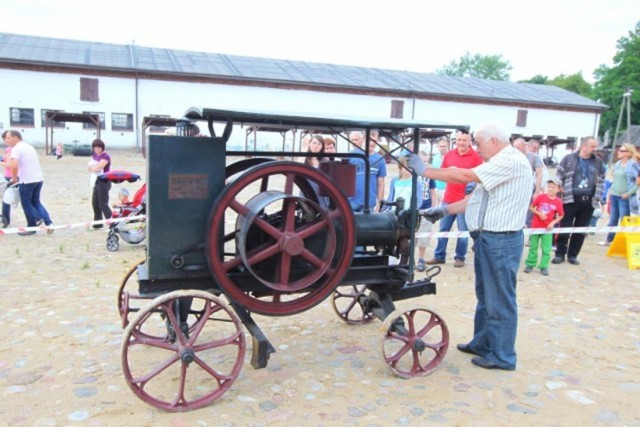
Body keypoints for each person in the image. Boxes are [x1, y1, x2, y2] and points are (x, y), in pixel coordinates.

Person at [409, 123, 533, 371]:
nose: (476, 147)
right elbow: (474, 199)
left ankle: (503, 356)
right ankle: (483, 344)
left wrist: (425, 171)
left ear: (494, 141)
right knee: (486, 296)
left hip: (501, 239)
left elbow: (464, 176)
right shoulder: (497, 163)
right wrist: (444, 210)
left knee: (500, 299)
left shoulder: (510, 161)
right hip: (489, 239)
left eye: (478, 142)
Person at [426, 130, 483, 268]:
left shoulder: (476, 157)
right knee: (443, 229)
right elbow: (442, 172)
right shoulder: (449, 155)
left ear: (470, 141)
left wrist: (470, 191)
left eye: (464, 140)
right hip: (449, 198)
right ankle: (439, 256)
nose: (461, 143)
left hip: (465, 201)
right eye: (459, 140)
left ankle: (460, 257)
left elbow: (480, 178)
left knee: (463, 231)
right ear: (455, 140)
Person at [552, 137, 606, 265]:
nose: (595, 149)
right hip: (570, 199)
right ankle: (560, 254)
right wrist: (556, 192)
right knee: (564, 228)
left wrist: (599, 198)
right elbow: (558, 177)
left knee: (581, 230)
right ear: (584, 146)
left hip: (588, 201)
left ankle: (573, 255)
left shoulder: (598, 162)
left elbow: (602, 180)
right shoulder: (568, 159)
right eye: (593, 146)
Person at [4, 130, 53, 235]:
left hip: (27, 180)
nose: (7, 141)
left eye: (9, 138)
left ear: (16, 138)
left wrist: (14, 178)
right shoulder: (29, 146)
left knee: (26, 203)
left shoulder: (16, 149)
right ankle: (49, 223)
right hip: (38, 178)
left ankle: (32, 226)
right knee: (36, 202)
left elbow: (14, 166)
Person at [598, 143, 639, 246]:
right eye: (619, 150)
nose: (618, 152)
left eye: (622, 150)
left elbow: (638, 182)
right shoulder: (617, 164)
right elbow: (615, 179)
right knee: (612, 219)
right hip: (614, 195)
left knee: (624, 220)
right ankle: (609, 240)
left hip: (624, 197)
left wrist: (628, 193)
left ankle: (625, 242)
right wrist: (610, 191)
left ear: (628, 153)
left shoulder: (633, 164)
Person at [524, 178, 565, 276]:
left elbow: (561, 214)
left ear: (559, 189)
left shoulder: (558, 202)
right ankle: (530, 263)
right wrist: (539, 213)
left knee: (546, 249)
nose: (551, 189)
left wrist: (552, 223)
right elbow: (531, 207)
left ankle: (544, 266)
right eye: (549, 187)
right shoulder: (541, 197)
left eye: (553, 187)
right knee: (533, 247)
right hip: (536, 227)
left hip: (547, 229)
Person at [348, 130, 387, 212]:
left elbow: (381, 184)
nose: (372, 143)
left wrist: (379, 204)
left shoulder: (380, 160)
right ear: (363, 140)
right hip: (351, 202)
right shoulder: (352, 156)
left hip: (369, 203)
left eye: (374, 141)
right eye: (369, 140)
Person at [414, 151, 436, 272]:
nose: (425, 164)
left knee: (424, 234)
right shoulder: (412, 174)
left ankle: (421, 258)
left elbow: (432, 192)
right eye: (423, 161)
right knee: (411, 235)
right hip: (413, 208)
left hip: (426, 207)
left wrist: (433, 208)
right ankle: (409, 259)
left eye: (427, 161)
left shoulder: (429, 175)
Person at [88, 138, 112, 229]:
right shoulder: (94, 155)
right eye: (95, 147)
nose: (97, 149)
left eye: (99, 147)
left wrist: (93, 168)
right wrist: (93, 168)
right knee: (95, 203)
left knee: (103, 203)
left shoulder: (105, 156)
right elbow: (89, 168)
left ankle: (112, 223)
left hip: (105, 180)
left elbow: (99, 167)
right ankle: (98, 223)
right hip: (97, 180)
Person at [430, 139, 449, 206]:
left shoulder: (450, 157)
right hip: (435, 187)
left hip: (446, 188)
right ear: (438, 147)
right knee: (435, 208)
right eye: (441, 146)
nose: (442, 148)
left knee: (442, 209)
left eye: (444, 146)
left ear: (447, 147)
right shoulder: (435, 157)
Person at [1, 131, 14, 228]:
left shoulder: (10, 149)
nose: (5, 141)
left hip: (9, 176)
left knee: (6, 198)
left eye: (6, 139)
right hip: (9, 175)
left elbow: (9, 165)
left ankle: (5, 218)